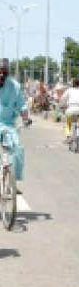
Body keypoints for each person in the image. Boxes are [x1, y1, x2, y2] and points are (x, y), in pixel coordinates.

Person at [0, 58, 31, 192]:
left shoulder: (15, 86)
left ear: (8, 72)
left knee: (17, 149)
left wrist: (25, 118)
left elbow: (22, 105)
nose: (1, 74)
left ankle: (12, 182)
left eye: (4, 72)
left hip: (8, 124)